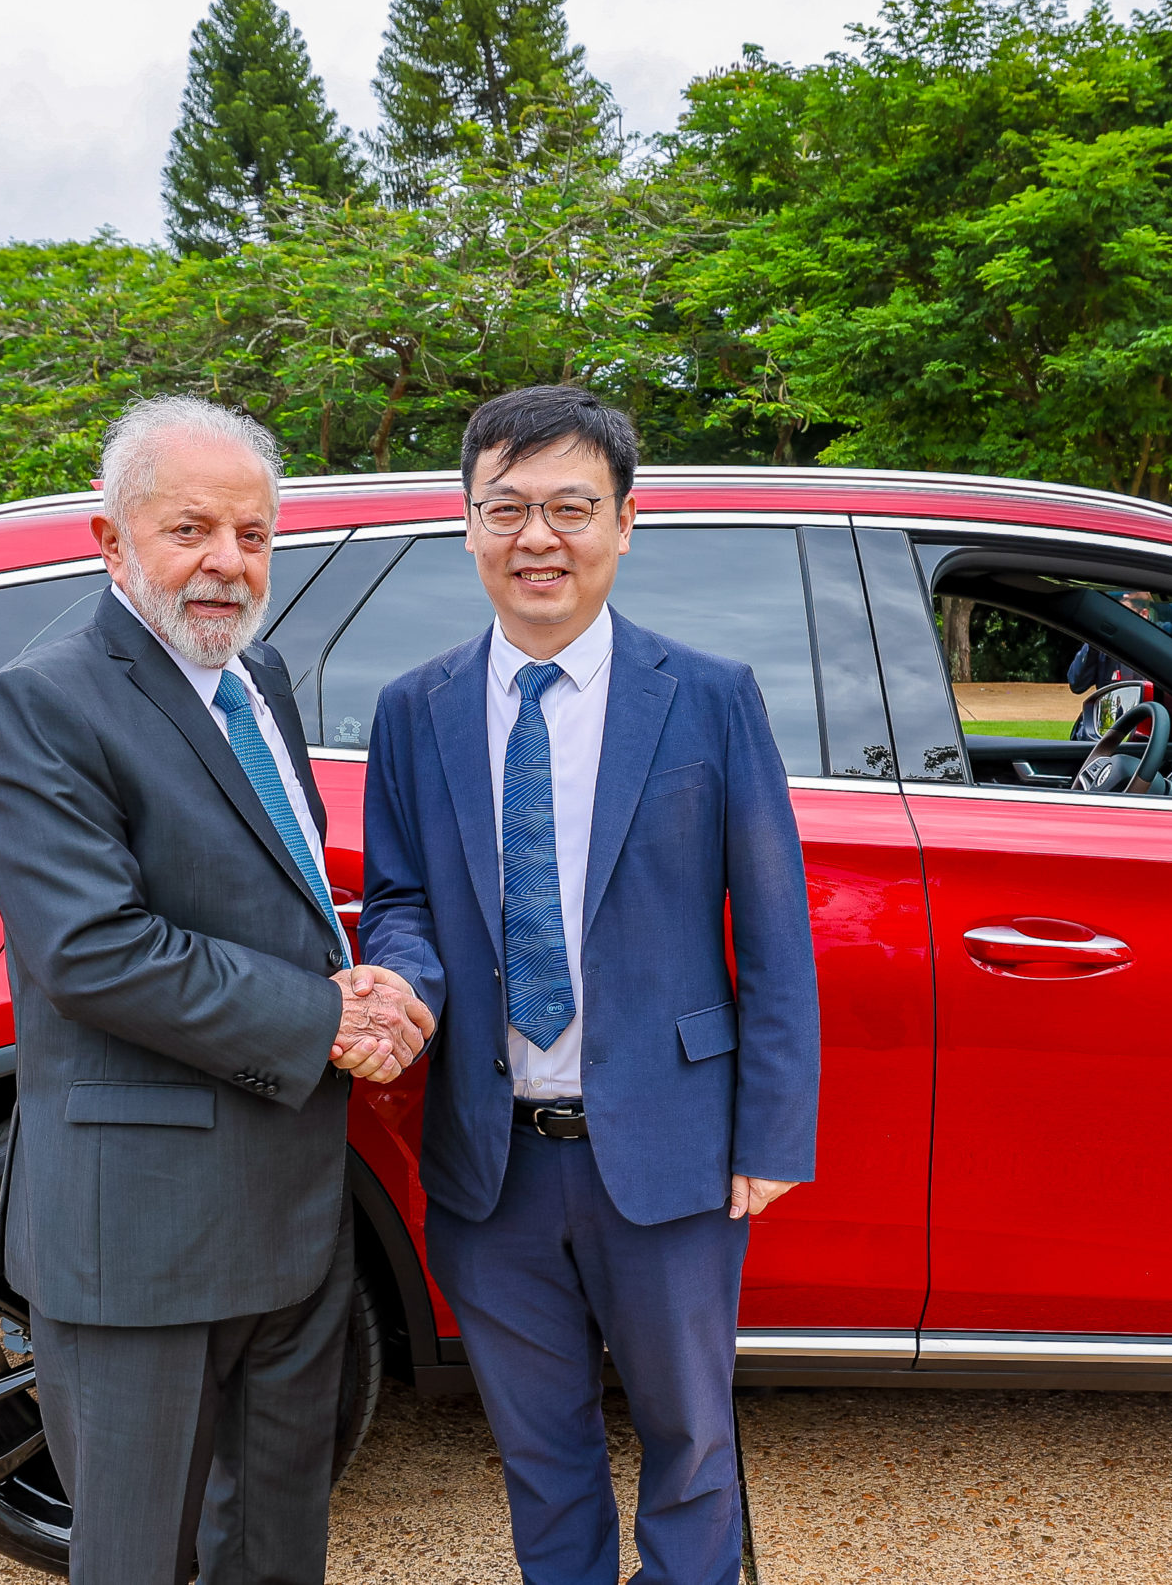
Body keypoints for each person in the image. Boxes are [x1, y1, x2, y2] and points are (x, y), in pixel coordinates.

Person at [0, 396, 434, 1585]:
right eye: (190, 530)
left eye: (254, 535)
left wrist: (357, 974)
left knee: (277, 1544)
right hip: (141, 1237)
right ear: (111, 541)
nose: (228, 563)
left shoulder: (253, 671)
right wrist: (326, 1016)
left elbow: (265, 886)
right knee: (136, 1558)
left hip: (290, 1210)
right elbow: (96, 950)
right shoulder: (43, 700)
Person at [358, 384, 819, 1585]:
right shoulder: (416, 711)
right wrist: (400, 986)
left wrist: (769, 1131)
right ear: (467, 526)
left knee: (690, 1442)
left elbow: (771, 929)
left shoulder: (708, 696)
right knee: (539, 1449)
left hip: (669, 1150)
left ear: (624, 522)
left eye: (570, 506)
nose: (537, 538)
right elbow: (404, 901)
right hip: (489, 1158)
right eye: (504, 508)